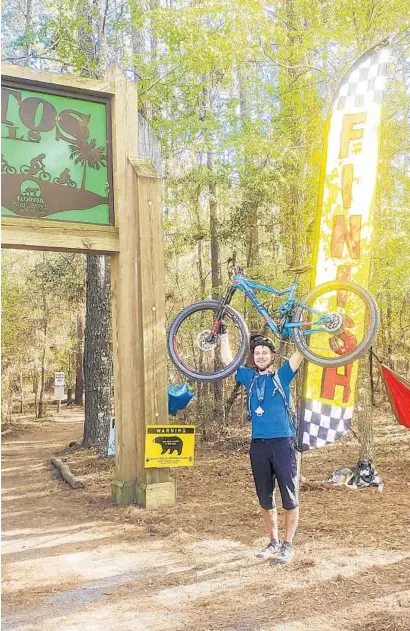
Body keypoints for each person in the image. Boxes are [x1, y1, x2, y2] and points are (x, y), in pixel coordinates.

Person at [221, 332, 303, 564]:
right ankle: (273, 541)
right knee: (265, 499)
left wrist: (298, 331)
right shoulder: (250, 378)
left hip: (283, 443)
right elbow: (229, 361)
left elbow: (300, 353)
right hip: (258, 445)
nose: (260, 355)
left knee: (289, 497)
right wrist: (225, 337)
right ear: (253, 357)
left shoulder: (283, 375)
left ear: (272, 356)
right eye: (256, 353)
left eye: (264, 352)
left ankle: (288, 545)